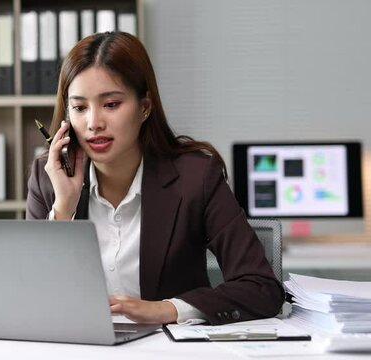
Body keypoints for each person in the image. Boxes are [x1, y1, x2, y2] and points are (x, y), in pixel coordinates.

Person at [26, 32, 285, 325]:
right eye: (80, 107)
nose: (93, 123)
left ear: (145, 107)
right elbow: (30, 298)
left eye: (110, 104)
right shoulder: (49, 178)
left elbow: (261, 288)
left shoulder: (195, 177)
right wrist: (63, 209)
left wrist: (167, 309)